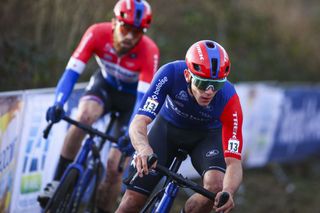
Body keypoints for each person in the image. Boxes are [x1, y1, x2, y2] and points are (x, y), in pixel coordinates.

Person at [37, 0, 159, 212]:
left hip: (131, 102)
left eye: (138, 31)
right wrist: (59, 103)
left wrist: (133, 136)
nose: (130, 36)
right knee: (83, 117)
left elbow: (142, 101)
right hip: (104, 87)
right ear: (114, 22)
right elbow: (71, 72)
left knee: (114, 167)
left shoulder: (149, 50)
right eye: (126, 28)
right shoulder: (96, 33)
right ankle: (57, 181)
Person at [115, 40, 243, 213]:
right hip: (168, 130)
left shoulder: (229, 98)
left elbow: (234, 161)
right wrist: (143, 148)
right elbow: (139, 121)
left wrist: (228, 191)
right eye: (203, 83)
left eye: (217, 85)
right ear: (187, 75)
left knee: (216, 185)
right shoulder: (170, 74)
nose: (209, 92)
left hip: (206, 138)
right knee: (130, 203)